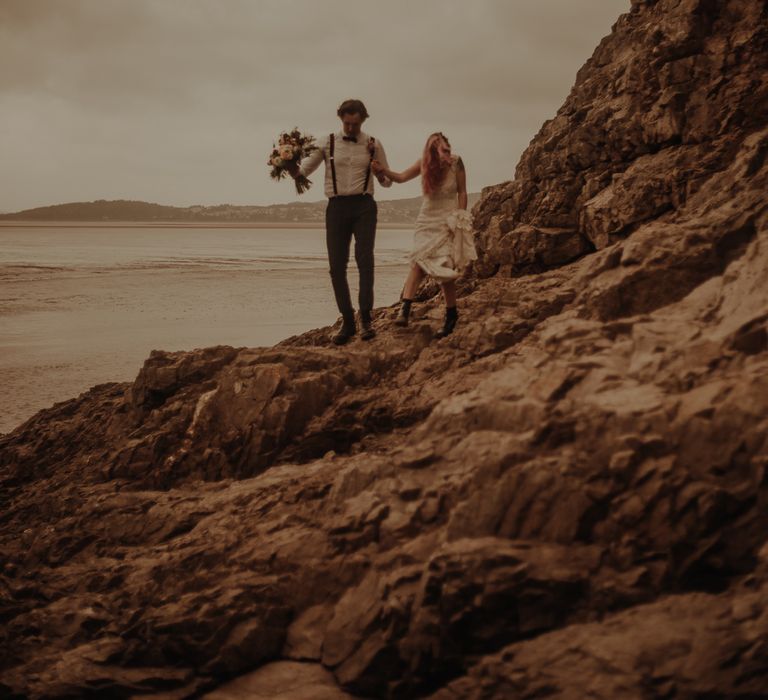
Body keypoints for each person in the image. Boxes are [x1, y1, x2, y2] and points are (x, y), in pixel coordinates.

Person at [287, 99, 392, 345]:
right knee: (336, 266)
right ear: (340, 119)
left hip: (365, 205)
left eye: (355, 124)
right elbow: (304, 172)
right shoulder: (327, 142)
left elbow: (387, 182)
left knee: (365, 260)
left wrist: (379, 174)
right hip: (337, 207)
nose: (351, 128)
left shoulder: (373, 144)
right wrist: (289, 166)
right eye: (347, 123)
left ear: (363, 120)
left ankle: (365, 318)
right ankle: (347, 320)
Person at [371, 132, 475, 337]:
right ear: (432, 152)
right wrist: (383, 171)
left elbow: (462, 191)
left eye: (448, 148)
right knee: (418, 262)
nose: (447, 153)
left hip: (447, 221)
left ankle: (451, 314)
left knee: (444, 265)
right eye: (442, 150)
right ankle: (405, 309)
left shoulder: (456, 163)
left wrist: (461, 217)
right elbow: (400, 178)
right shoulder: (424, 163)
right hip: (426, 220)